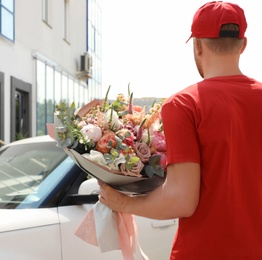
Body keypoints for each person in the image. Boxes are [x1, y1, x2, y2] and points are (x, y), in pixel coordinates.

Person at [98, 1, 262, 259]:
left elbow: (182, 200)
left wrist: (124, 202)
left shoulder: (185, 104)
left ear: (197, 45)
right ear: (243, 44)